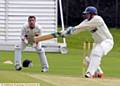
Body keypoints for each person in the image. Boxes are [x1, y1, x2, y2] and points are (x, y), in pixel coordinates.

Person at [61, 6, 114, 78]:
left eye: (87, 14)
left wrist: (73, 28)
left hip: (107, 41)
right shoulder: (86, 21)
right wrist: (65, 33)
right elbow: (78, 29)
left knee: (96, 52)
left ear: (93, 14)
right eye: (85, 14)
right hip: (98, 43)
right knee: (88, 60)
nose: (86, 15)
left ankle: (89, 73)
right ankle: (99, 73)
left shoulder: (98, 19)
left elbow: (80, 26)